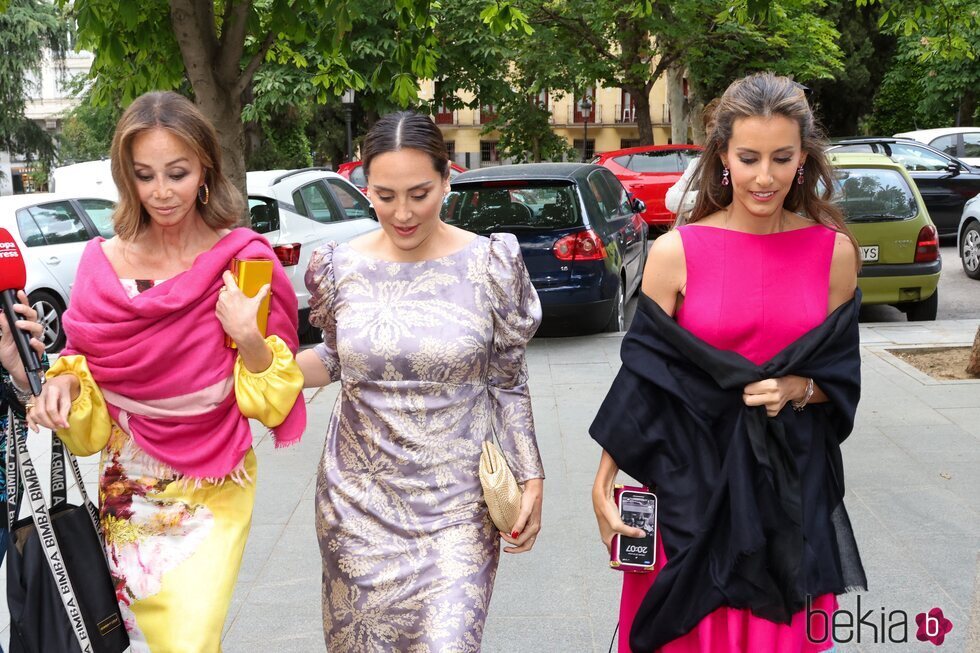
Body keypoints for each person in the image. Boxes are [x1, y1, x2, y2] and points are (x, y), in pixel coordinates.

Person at [591, 72, 867, 653]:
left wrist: (799, 387)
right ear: (721, 156)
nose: (764, 176)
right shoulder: (675, 253)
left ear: (803, 160)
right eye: (748, 157)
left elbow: (839, 380)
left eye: (781, 157)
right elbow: (643, 376)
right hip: (690, 487)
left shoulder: (833, 254)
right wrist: (603, 481)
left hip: (788, 494)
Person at [28, 90, 307, 652]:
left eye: (176, 173)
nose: (161, 192)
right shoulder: (99, 263)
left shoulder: (243, 259)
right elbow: (87, 372)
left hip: (215, 481)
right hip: (127, 481)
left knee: (189, 637)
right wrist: (60, 381)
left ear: (205, 166)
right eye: (144, 175)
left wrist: (249, 336)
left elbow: (271, 401)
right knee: (151, 640)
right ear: (125, 177)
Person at [297, 111, 545, 651]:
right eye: (385, 196)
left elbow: (507, 381)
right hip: (357, 505)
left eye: (419, 193)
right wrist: (263, 367)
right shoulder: (339, 266)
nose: (403, 213)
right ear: (366, 188)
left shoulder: (491, 264)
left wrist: (531, 476)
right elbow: (335, 359)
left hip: (457, 507)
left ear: (447, 179)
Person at [663, 99, 720, 222]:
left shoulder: (738, 164)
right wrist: (702, 197)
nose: (714, 130)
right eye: (710, 125)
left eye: (719, 125)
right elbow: (670, 200)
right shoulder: (698, 164)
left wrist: (690, 211)